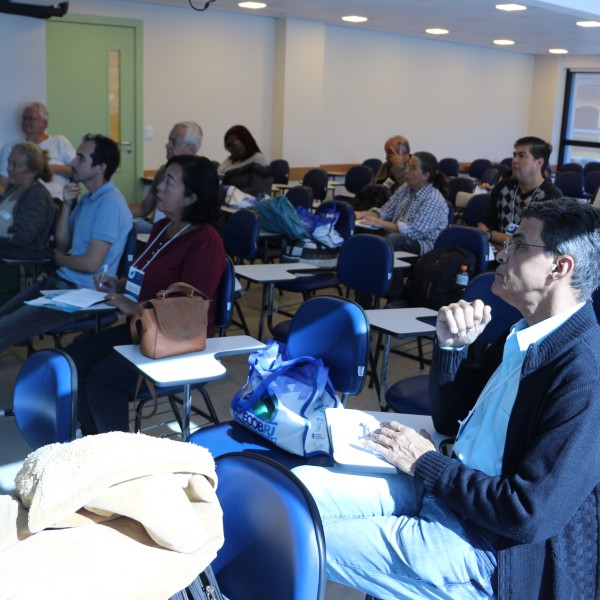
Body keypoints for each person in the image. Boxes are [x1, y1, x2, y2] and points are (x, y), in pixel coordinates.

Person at [295, 198, 600, 599]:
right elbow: (448, 419)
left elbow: (527, 514)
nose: (501, 251)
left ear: (559, 268)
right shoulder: (524, 334)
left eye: (519, 243)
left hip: (490, 547)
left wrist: (424, 463)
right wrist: (452, 349)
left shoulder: (583, 375)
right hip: (453, 492)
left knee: (294, 538)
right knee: (292, 491)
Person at [66, 155, 226, 435]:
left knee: (103, 379)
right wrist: (118, 285)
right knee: (73, 360)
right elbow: (149, 276)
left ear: (191, 198)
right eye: (163, 179)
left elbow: (189, 311)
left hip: (179, 342)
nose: (159, 188)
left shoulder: (206, 240)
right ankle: (94, 442)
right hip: (143, 329)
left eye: (170, 182)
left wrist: (135, 308)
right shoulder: (162, 227)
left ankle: (120, 458)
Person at [0, 134, 132, 353]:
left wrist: (60, 260)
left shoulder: (110, 203)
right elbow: (62, 244)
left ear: (100, 167)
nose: (71, 163)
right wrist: (68, 206)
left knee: (3, 329)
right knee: (2, 317)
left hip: (83, 294)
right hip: (63, 282)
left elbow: (90, 264)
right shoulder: (88, 199)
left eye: (80, 158)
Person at [478, 136, 562, 251]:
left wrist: (490, 235)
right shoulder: (503, 187)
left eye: (522, 156)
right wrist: (505, 246)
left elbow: (531, 242)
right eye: (514, 155)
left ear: (539, 162)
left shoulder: (551, 196)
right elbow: (484, 225)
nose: (515, 160)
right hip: (497, 254)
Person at [0, 142, 57, 306]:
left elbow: (22, 238)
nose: (9, 168)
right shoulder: (12, 190)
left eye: (14, 164)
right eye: (9, 163)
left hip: (17, 263)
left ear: (32, 170)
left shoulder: (36, 196)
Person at [130, 121, 203, 233]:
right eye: (169, 140)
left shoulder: (200, 177)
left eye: (173, 142)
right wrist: (117, 210)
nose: (167, 145)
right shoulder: (163, 170)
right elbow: (144, 208)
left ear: (191, 149)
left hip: (173, 233)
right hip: (155, 229)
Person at [0, 102, 76, 199]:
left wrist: (44, 168)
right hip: (22, 201)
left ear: (44, 122)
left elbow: (77, 171)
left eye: (31, 118)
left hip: (57, 201)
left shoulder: (59, 141)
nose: (26, 122)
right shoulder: (10, 148)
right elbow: (3, 184)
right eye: (24, 118)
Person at [218, 124, 272, 196]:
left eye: (233, 145)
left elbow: (258, 191)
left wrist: (226, 193)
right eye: (228, 146)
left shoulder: (258, 159)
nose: (230, 149)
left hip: (243, 205)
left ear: (245, 141)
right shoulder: (229, 160)